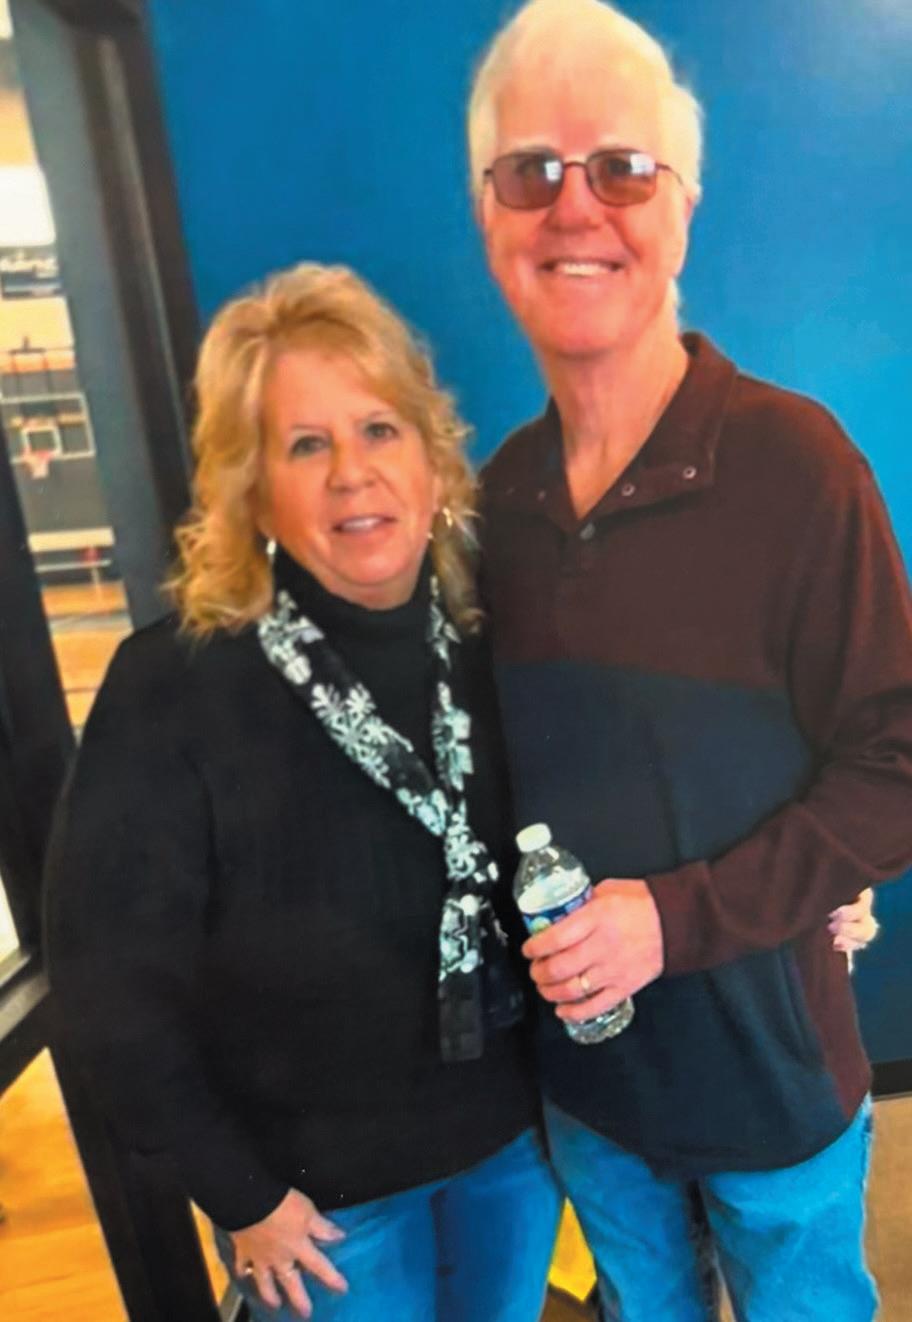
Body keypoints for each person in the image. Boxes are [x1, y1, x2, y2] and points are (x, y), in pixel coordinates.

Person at [467, 1, 912, 1318]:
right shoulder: (494, 506)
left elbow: (896, 764)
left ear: (683, 205)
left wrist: (678, 917)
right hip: (592, 1098)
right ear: (489, 215)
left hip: (776, 1093)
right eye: (531, 171)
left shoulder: (799, 467)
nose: (575, 206)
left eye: (621, 167)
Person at [45, 262, 562, 1322]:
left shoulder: (492, 641)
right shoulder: (173, 686)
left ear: (432, 459)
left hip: (508, 1153)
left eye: (379, 430)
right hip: (316, 1206)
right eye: (306, 445)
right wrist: (241, 1194)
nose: (353, 474)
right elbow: (108, 987)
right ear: (255, 490)